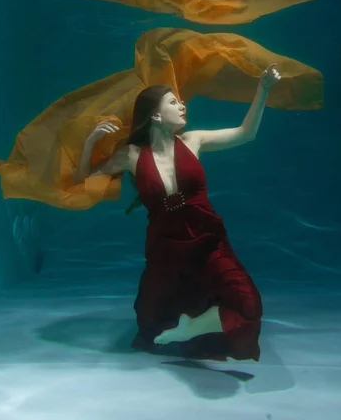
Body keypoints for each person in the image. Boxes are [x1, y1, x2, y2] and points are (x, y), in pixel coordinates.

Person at [74, 63, 281, 361]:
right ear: (156, 115)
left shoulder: (193, 140)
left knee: (247, 304)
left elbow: (245, 133)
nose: (182, 105)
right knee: (150, 324)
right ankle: (187, 326)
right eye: (173, 102)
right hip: (165, 250)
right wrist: (91, 141)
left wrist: (263, 88)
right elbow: (82, 181)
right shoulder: (130, 155)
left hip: (209, 241)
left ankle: (193, 327)